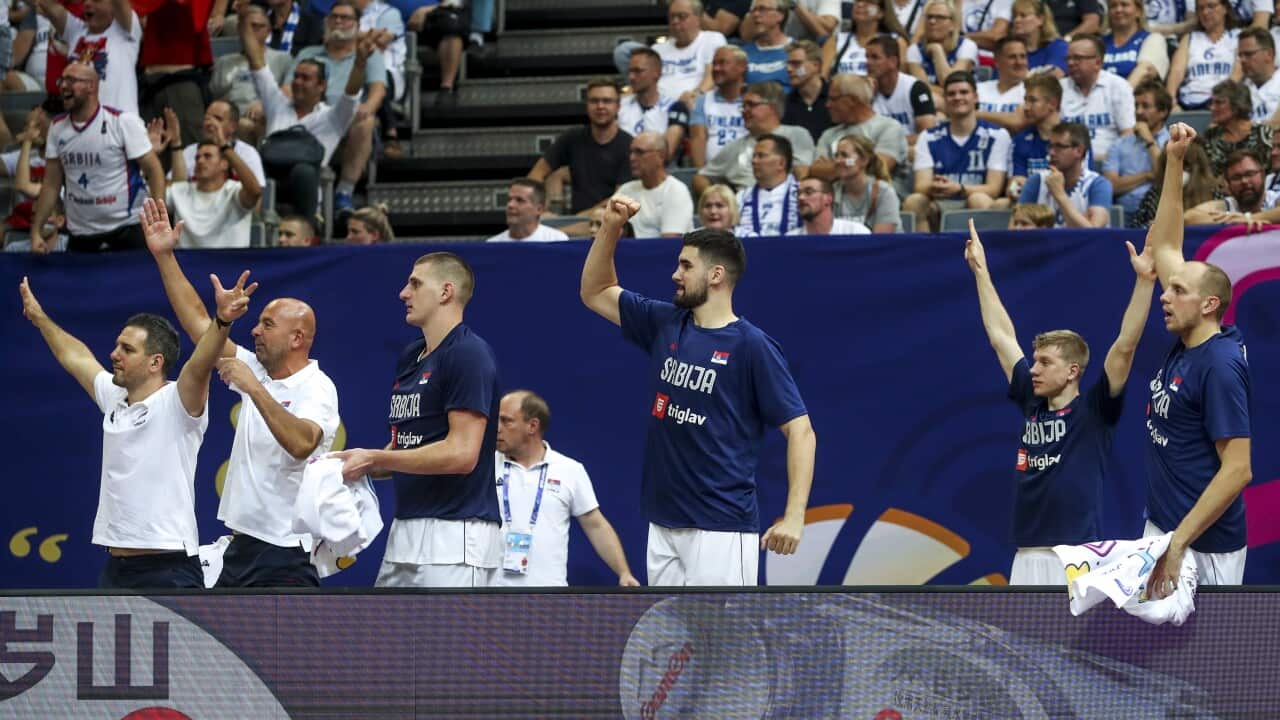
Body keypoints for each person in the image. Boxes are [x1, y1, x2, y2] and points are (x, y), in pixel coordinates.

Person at [580, 196, 817, 586]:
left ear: (716, 275)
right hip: (662, 520)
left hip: (721, 525)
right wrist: (611, 227)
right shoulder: (665, 322)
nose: (675, 274)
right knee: (680, 645)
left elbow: (801, 431)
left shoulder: (751, 345)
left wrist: (794, 515)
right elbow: (595, 291)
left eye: (686, 265)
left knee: (723, 643)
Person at [143, 197, 341, 587]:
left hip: (285, 552)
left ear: (298, 338)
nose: (254, 330)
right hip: (241, 547)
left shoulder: (316, 386)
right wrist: (165, 256)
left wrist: (254, 389)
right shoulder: (258, 369)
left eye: (267, 325)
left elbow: (303, 443)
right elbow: (203, 329)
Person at [17, 268, 254, 588]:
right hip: (116, 568)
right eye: (117, 346)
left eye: (127, 349)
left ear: (156, 362)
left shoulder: (177, 401)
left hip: (169, 568)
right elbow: (76, 356)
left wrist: (222, 322)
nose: (114, 354)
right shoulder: (115, 398)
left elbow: (200, 364)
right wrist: (39, 317)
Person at [964, 217, 1155, 584]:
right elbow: (1002, 337)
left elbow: (1125, 347)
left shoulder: (1095, 410)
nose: (1033, 369)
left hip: (1076, 556)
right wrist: (981, 271)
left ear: (1072, 371)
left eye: (1045, 362)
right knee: (1019, 644)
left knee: (1071, 645)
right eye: (1034, 360)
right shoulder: (1031, 400)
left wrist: (1145, 282)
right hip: (1027, 554)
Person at [337, 253, 503, 588]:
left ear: (445, 292)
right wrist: (349, 465)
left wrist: (375, 457)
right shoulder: (411, 356)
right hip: (406, 527)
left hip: (456, 532)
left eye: (415, 283)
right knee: (387, 639)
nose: (403, 293)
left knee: (448, 642)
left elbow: (461, 454)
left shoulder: (469, 354)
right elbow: (407, 446)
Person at [1142, 122, 1253, 598]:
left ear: (1209, 304)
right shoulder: (1191, 336)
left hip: (1204, 546)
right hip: (1166, 529)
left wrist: (1178, 546)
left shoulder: (1219, 366)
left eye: (1177, 290)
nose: (1164, 297)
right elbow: (1165, 246)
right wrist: (1175, 162)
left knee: (1201, 668)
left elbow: (1238, 470)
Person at [492, 390, 640, 587]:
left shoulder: (569, 470)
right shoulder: (484, 466)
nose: (497, 428)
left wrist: (623, 573)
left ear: (532, 425)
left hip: (550, 595)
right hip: (492, 594)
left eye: (506, 421)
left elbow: (595, 525)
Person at [244, 0, 368, 224]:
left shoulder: (331, 117)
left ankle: (308, 230)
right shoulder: (277, 103)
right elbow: (256, 63)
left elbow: (351, 93)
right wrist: (244, 19)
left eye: (306, 78)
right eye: (296, 77)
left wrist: (359, 62)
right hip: (269, 177)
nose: (298, 82)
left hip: (304, 191)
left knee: (303, 171)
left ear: (322, 86)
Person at [32, 62, 166, 254]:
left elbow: (154, 171)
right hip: (80, 234)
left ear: (91, 86)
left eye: (71, 80)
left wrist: (158, 220)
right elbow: (51, 183)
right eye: (62, 80)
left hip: (127, 229)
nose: (63, 86)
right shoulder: (57, 128)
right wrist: (36, 230)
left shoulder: (122, 122)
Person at [288, 0, 387, 213]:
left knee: (366, 120)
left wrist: (368, 106)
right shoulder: (307, 54)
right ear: (326, 22)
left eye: (345, 18)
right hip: (310, 118)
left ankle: (344, 192)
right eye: (334, 17)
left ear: (358, 25)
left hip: (347, 121)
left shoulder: (368, 54)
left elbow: (378, 89)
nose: (338, 22)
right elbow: (287, 89)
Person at [904, 71, 1011, 232]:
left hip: (974, 197)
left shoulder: (997, 135)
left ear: (975, 97)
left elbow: (993, 188)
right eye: (951, 94)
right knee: (914, 201)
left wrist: (959, 188)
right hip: (940, 200)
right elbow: (921, 185)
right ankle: (925, 253)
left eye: (964, 92)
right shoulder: (929, 136)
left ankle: (981, 254)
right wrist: (936, 186)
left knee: (979, 199)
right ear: (945, 100)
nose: (957, 97)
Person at [528, 77, 634, 216]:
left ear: (618, 106)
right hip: (575, 223)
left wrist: (579, 218)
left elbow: (620, 200)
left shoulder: (629, 145)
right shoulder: (572, 137)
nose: (600, 106)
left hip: (610, 222)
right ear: (587, 105)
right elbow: (536, 174)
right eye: (594, 101)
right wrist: (540, 208)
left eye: (607, 101)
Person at [693, 80, 815, 194]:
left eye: (751, 105)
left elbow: (803, 175)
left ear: (772, 107)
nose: (744, 111)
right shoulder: (735, 146)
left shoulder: (796, 135)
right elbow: (700, 178)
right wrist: (721, 198)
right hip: (745, 207)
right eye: (743, 105)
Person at [35, 0, 142, 114]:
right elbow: (45, 3)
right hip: (80, 127)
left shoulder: (125, 32)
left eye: (97, 0)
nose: (87, 3)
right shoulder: (75, 32)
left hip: (118, 126)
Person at [810, 74, 909, 194]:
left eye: (833, 99)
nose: (828, 105)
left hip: (878, 199)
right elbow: (814, 170)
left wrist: (833, 167)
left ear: (851, 100)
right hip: (836, 199)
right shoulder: (829, 134)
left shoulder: (888, 128)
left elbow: (877, 169)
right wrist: (853, 165)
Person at [1058, 34, 1136, 164]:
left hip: (1109, 165)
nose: (1071, 63)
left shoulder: (1118, 87)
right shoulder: (1059, 88)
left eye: (1077, 58)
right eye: (1068, 58)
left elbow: (1127, 135)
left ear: (1098, 62)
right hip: (1067, 166)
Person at [1018, 122, 1113, 227]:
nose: (1051, 153)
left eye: (1059, 147)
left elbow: (1095, 234)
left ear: (1079, 151)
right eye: (1050, 146)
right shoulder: (1036, 181)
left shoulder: (1098, 184)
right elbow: (1015, 227)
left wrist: (1060, 195)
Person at [1102, 80, 1171, 219]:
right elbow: (1110, 186)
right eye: (1136, 105)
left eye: (1145, 106)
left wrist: (1149, 141)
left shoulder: (1174, 142)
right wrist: (1147, 176)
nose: (1138, 111)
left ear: (1162, 111)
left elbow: (1168, 178)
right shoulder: (1120, 144)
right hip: (1127, 217)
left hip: (1163, 216)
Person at [616, 131, 696, 238]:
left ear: (661, 156)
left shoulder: (676, 191)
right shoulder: (626, 190)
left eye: (639, 152)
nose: (632, 158)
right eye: (631, 152)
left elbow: (669, 244)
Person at [1167, 0, 1241, 111]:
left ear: (1225, 8)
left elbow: (1237, 73)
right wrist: (1171, 103)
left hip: (1225, 103)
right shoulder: (1190, 38)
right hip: (1190, 103)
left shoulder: (1238, 37)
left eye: (1211, 6)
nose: (1205, 12)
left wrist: (1219, 100)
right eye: (1200, 8)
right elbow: (1176, 72)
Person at [619, 47, 689, 158]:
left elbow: (666, 154)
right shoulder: (620, 105)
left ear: (656, 73)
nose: (631, 77)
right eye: (630, 71)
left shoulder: (675, 107)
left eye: (638, 71)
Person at [866, 35, 937, 141]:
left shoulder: (915, 88)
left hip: (910, 150)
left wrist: (890, 144)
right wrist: (867, 98)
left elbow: (927, 135)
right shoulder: (865, 89)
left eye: (875, 57)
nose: (868, 62)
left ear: (893, 62)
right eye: (867, 57)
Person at [689, 45, 749, 168]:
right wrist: (700, 172)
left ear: (741, 67)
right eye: (714, 64)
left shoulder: (754, 98)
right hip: (712, 171)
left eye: (723, 63)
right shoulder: (703, 100)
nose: (716, 68)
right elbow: (698, 138)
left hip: (746, 169)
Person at [1185, 149, 1280, 224]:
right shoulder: (1227, 205)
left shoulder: (1274, 199)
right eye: (1236, 177)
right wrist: (1230, 220)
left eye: (1250, 174)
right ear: (1227, 184)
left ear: (1263, 174)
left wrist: (1247, 219)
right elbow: (1188, 218)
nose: (1244, 181)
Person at [830, 133, 902, 232]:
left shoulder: (884, 192)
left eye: (844, 155)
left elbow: (882, 240)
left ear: (864, 160)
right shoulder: (831, 192)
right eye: (836, 155)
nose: (838, 161)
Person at [1201, 80, 1274, 174]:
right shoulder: (1210, 136)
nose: (1212, 108)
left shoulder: (1264, 134)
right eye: (1212, 103)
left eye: (1219, 103)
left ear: (1237, 105)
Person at [734, 133, 800, 236]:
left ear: (781, 163)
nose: (754, 161)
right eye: (754, 156)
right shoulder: (741, 197)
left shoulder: (802, 194)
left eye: (761, 156)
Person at [822, 0, 907, 78]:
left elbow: (899, 81)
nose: (860, 4)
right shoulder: (836, 40)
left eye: (869, 1)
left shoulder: (897, 42)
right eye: (857, 1)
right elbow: (822, 77)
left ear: (881, 12)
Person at [906, 0, 978, 89]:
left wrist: (937, 51)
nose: (932, 21)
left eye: (940, 17)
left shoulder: (967, 46)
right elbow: (923, 90)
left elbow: (954, 86)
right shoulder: (914, 50)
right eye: (929, 17)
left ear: (953, 24)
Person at [1101, 0, 1168, 89]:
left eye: (1124, 5)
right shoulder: (1098, 43)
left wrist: (1122, 97)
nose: (1118, 10)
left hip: (1134, 98)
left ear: (1138, 11)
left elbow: (1145, 71)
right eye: (1113, 6)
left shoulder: (1153, 39)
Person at [486, 178, 570, 242]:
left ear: (539, 209)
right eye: (509, 199)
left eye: (519, 200)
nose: (510, 205)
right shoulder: (492, 245)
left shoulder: (557, 240)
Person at [782, 40, 831, 141]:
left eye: (796, 64)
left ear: (816, 65)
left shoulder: (835, 97)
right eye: (788, 64)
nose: (789, 69)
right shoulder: (785, 103)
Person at [788, 176, 871, 234]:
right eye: (798, 193)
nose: (801, 197)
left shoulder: (856, 233)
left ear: (828, 199)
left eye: (809, 192)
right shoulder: (790, 240)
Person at [1011, 0, 1067, 77]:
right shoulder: (1008, 49)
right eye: (1014, 16)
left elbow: (1052, 77)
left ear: (1040, 19)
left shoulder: (1058, 46)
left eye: (1023, 15)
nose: (1016, 20)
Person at [1238, 27, 1280, 124]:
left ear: (1269, 54)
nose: (1242, 60)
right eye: (1240, 55)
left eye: (1248, 54)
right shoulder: (1240, 89)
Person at [977, 37, 1029, 114]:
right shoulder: (977, 89)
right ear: (997, 61)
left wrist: (975, 114)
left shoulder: (1032, 93)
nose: (1019, 62)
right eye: (1012, 57)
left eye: (1023, 56)